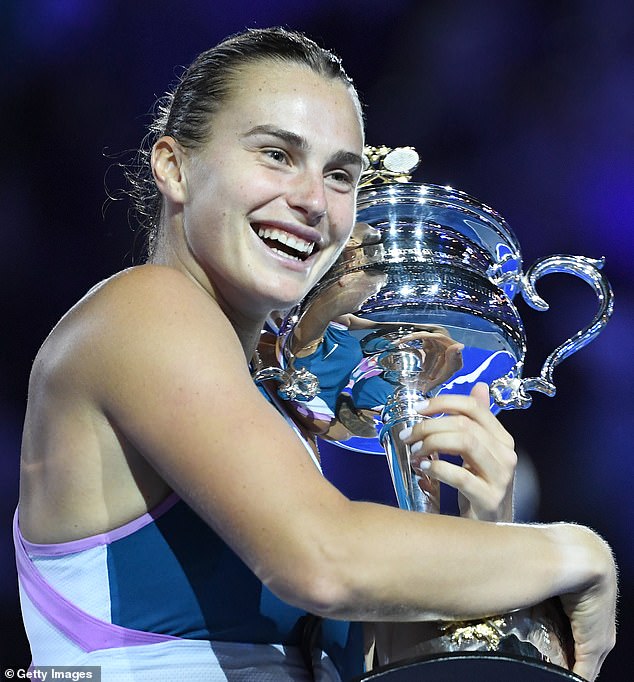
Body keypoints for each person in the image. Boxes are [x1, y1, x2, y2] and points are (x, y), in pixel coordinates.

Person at [14, 27, 616, 682]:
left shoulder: (271, 410)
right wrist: (575, 552)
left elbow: (396, 659)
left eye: (339, 175)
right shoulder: (146, 311)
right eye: (276, 154)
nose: (313, 202)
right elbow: (321, 560)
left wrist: (484, 530)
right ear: (173, 167)